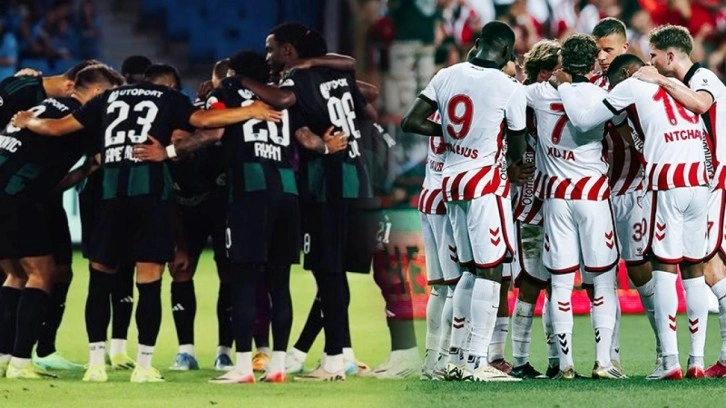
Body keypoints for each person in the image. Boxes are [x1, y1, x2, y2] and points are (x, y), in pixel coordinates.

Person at [12, 63, 282, 383]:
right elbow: (205, 122)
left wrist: (28, 120)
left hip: (111, 196)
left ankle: (96, 365)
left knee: (100, 280)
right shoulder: (168, 98)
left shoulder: (107, 99)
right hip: (151, 195)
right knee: (149, 281)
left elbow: (56, 128)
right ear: (168, 85)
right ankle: (143, 367)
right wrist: (250, 111)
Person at [553, 52, 710, 381]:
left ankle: (669, 361)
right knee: (694, 271)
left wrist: (565, 86)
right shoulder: (678, 85)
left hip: (664, 183)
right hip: (699, 181)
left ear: (626, 73)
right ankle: (697, 360)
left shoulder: (631, 85)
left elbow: (584, 121)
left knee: (663, 269)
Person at [401, 21, 526, 382]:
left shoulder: (447, 75)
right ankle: (476, 361)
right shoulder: (508, 87)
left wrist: (453, 134)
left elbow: (411, 121)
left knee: (467, 272)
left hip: (449, 182)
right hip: (484, 182)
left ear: (478, 43)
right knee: (490, 269)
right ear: (507, 52)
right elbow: (517, 148)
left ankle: (452, 358)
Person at [0, 64, 124, 379]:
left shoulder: (45, 105)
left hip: (9, 190)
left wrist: (84, 171)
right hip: (16, 195)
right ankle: (21, 363)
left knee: (15, 274)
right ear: (97, 92)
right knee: (43, 274)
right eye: (111, 95)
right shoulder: (80, 117)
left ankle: (4, 356)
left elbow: (51, 183)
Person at [632, 24, 726, 378]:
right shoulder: (685, 83)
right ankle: (713, 358)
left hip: (716, 181)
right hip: (706, 183)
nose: (650, 62)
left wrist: (658, 80)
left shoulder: (703, 79)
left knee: (709, 267)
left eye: (654, 56)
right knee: (709, 267)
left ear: (670, 56)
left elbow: (701, 104)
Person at [528, 34, 623, 380]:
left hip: (556, 197)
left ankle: (565, 365)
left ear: (563, 62)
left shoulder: (539, 93)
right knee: (603, 282)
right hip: (592, 196)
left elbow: (514, 96)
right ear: (594, 61)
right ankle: (603, 363)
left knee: (561, 283)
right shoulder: (601, 96)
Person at [165, 58, 234, 372]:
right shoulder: (179, 120)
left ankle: (224, 352)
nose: (176, 142)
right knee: (180, 270)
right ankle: (185, 352)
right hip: (184, 211)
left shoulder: (226, 120)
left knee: (229, 274)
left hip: (221, 208)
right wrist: (178, 243)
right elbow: (169, 199)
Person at [508, 38, 560, 380]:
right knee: (530, 284)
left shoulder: (555, 98)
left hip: (556, 200)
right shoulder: (519, 99)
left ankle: (557, 361)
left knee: (557, 282)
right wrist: (509, 168)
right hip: (528, 202)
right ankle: (518, 361)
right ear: (543, 72)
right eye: (556, 70)